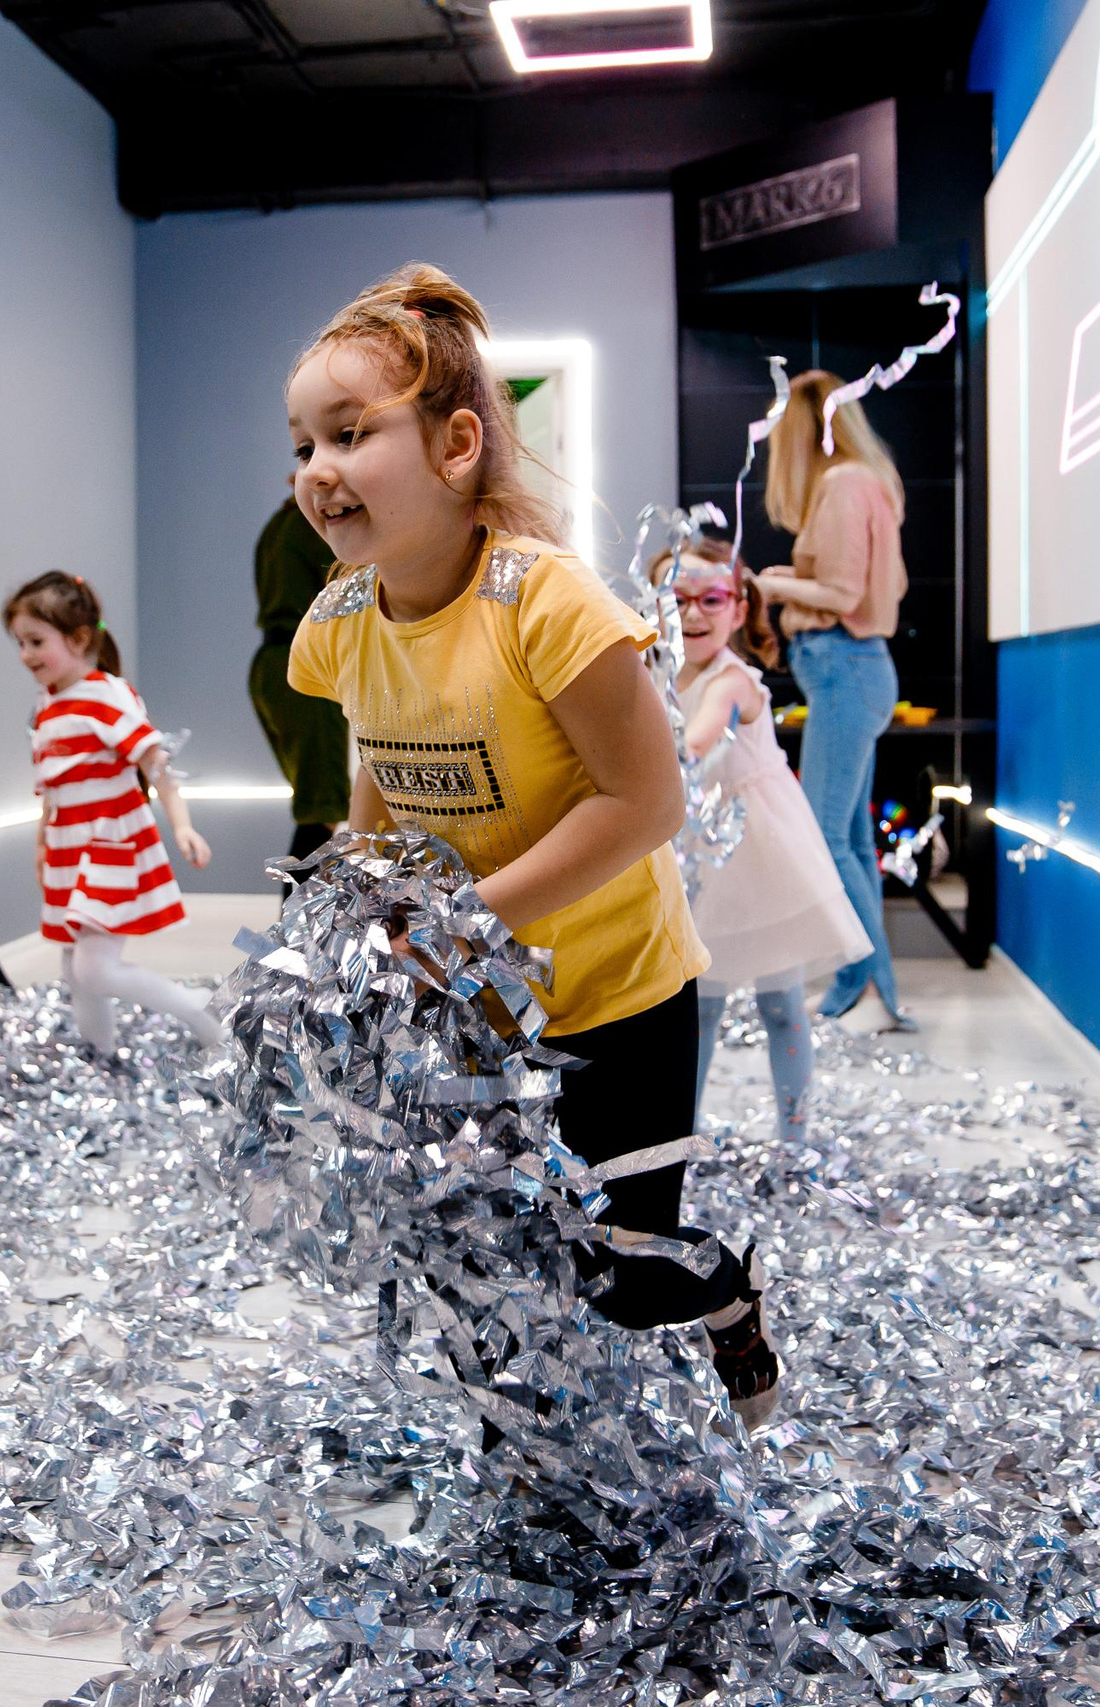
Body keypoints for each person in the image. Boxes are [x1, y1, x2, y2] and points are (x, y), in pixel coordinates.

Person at [283, 261, 779, 1427]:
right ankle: (544, 1461)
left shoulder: (545, 603)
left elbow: (643, 804)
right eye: (300, 445)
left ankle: (720, 1292)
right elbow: (381, 768)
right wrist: (360, 903)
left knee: (614, 1271)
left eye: (349, 434)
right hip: (486, 1007)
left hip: (618, 994)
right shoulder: (343, 619)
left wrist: (468, 919)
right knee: (493, 1245)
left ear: (458, 447)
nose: (316, 472)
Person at [663, 540, 871, 1145]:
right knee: (697, 1012)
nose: (695, 614)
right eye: (678, 600)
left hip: (761, 858)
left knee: (781, 1006)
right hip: (700, 856)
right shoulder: (656, 677)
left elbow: (699, 739)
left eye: (712, 599)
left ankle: (796, 1139)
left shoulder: (733, 681)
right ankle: (681, 1136)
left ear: (737, 608)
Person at [4, 572, 227, 1057]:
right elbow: (54, 788)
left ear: (79, 638)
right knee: (75, 966)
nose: (26, 655)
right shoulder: (46, 708)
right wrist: (44, 844)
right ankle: (99, 1055)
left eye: (36, 641)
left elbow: (156, 763)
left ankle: (198, 1008)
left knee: (95, 967)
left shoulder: (108, 695)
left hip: (111, 843)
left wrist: (183, 825)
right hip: (70, 847)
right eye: (20, 643)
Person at [753, 370, 915, 1030]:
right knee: (847, 836)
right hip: (849, 671)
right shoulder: (860, 482)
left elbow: (844, 594)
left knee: (826, 835)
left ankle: (866, 980)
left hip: (845, 670)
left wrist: (769, 582)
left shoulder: (845, 485)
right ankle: (871, 983)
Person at [250, 496, 354, 862]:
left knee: (316, 805)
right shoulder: (316, 529)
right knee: (321, 810)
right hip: (305, 666)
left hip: (270, 665)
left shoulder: (275, 527)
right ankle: (298, 918)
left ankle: (299, 916)